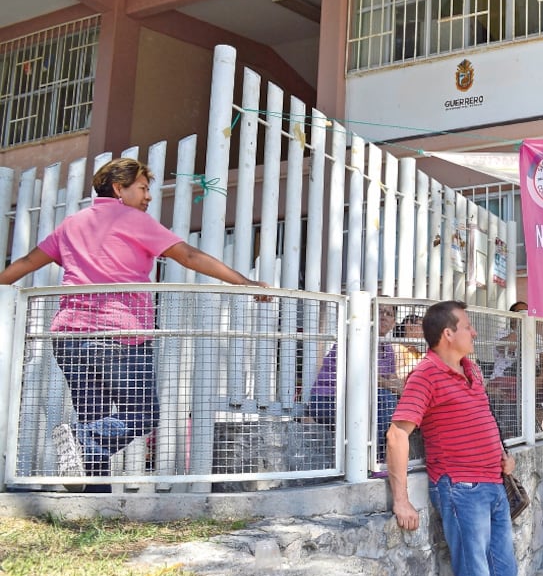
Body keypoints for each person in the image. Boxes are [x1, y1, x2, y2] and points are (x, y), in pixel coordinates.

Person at [0, 158, 265, 490]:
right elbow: (190, 257)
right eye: (142, 188)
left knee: (95, 419)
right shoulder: (133, 220)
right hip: (119, 336)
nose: (148, 197)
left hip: (68, 337)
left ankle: (90, 505)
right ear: (118, 189)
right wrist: (245, 282)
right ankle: (82, 438)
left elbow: (26, 262)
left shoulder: (72, 223)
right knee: (142, 415)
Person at [385, 300, 535, 576]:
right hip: (462, 491)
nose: (475, 332)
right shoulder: (426, 373)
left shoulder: (472, 370)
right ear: (448, 334)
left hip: (493, 486)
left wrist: (500, 456)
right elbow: (397, 434)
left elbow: (478, 418)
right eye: (468, 325)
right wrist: (402, 499)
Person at [308, 304, 401, 463]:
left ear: (393, 323)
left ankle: (389, 457)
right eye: (379, 311)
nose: (384, 316)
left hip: (358, 403)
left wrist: (407, 390)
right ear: (369, 316)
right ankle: (372, 461)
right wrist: (397, 389)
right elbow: (365, 377)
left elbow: (393, 379)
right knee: (385, 397)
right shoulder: (356, 339)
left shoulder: (387, 348)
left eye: (389, 314)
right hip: (327, 401)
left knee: (398, 400)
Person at [487, 301, 543, 434]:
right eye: (521, 313)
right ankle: (513, 433)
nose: (526, 315)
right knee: (515, 387)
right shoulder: (502, 334)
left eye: (528, 313)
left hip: (533, 381)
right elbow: (507, 347)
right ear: (511, 316)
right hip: (505, 379)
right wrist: (520, 329)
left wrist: (539, 380)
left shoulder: (536, 337)